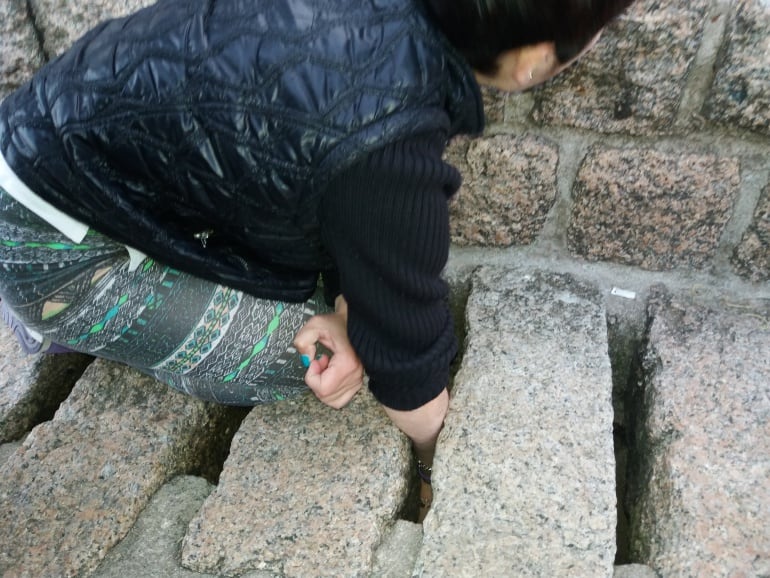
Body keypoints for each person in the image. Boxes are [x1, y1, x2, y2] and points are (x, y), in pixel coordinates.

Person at [0, 0, 635, 520]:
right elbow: (404, 365)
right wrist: (436, 452)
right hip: (52, 249)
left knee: (342, 327)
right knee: (315, 361)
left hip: (53, 133)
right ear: (530, 60)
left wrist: (351, 302)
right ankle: (62, 320)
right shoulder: (388, 149)